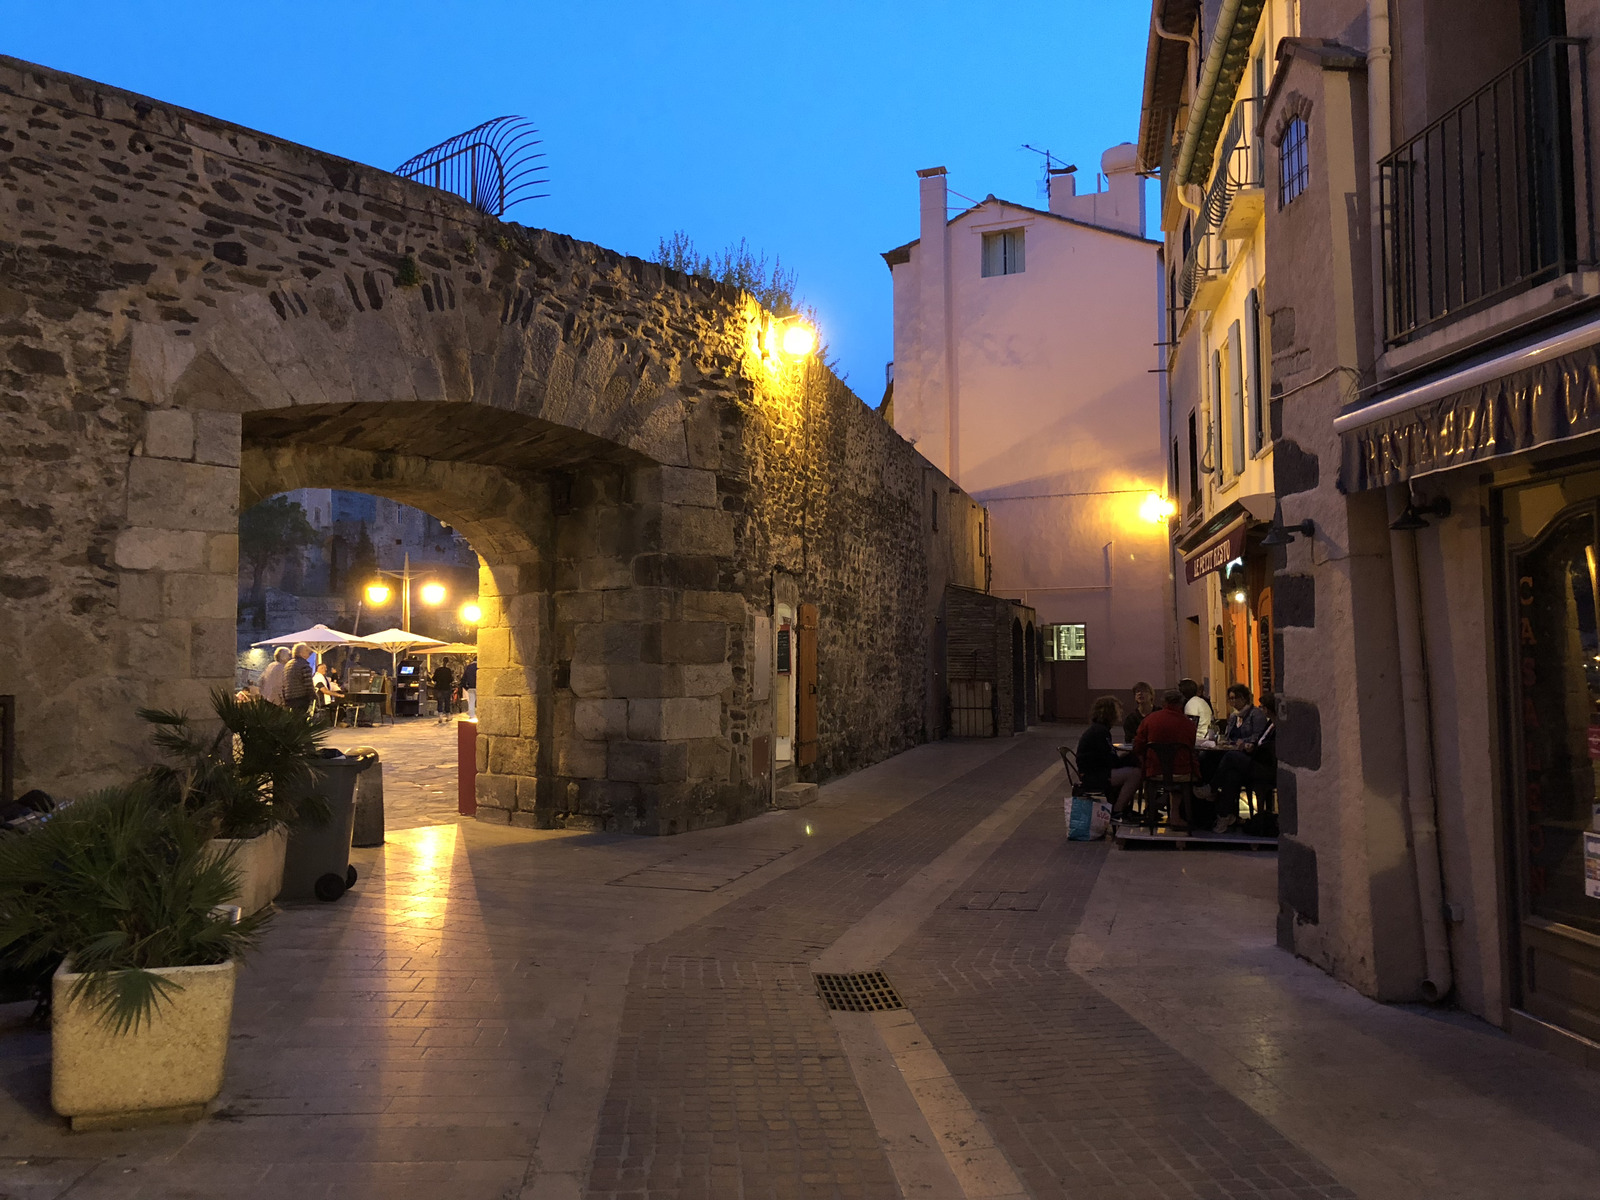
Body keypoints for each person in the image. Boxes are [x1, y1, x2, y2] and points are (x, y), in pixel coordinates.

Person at [1133, 688, 1200, 830]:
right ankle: (1175, 815)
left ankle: (1152, 810)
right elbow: (1191, 747)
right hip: (1182, 771)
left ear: (1163, 703)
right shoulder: (1188, 724)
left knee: (1151, 779)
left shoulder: (1150, 720)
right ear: (1181, 704)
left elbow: (1138, 745)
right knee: (1181, 784)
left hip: (1155, 770)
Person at [1212, 694, 1278, 832]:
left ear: (1268, 709)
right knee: (1232, 775)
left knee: (1230, 756)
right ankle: (1225, 816)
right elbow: (1260, 742)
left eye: (1263, 707)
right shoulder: (1269, 723)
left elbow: (1269, 748)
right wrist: (1252, 745)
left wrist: (1252, 747)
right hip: (1257, 759)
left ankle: (1212, 788)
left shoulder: (1277, 726)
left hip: (1266, 767)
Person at [1076, 696, 1143, 815]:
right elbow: (1109, 760)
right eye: (1118, 709)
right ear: (1110, 712)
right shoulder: (1101, 732)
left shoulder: (1097, 729)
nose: (1121, 712)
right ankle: (1118, 810)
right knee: (1136, 773)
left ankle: (1119, 805)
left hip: (1091, 772)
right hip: (1094, 776)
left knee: (1129, 767)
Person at [282, 642, 316, 715]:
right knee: (301, 718)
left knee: (294, 718)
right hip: (301, 697)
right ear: (301, 653)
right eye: (306, 650)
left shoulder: (288, 664)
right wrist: (313, 695)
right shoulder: (303, 664)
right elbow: (308, 682)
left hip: (289, 696)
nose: (309, 652)